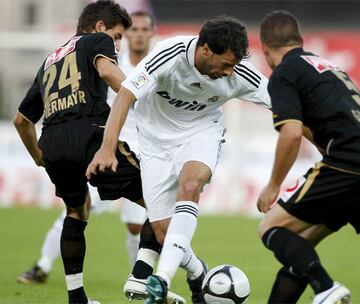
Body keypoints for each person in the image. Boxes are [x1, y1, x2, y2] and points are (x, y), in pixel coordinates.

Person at [86, 15, 271, 304]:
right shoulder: (169, 54)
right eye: (226, 64)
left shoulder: (238, 75)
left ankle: (160, 278)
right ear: (205, 49)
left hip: (201, 133)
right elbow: (125, 95)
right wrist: (107, 148)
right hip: (154, 143)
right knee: (162, 231)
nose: (229, 72)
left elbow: (288, 106)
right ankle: (198, 272)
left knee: (190, 185)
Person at [257, 10, 360, 304]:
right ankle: (320, 285)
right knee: (300, 252)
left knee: (271, 227)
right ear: (301, 41)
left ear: (265, 49)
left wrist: (272, 185)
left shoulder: (284, 73)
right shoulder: (327, 66)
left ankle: (326, 288)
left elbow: (291, 134)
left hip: (349, 162)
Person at [16, 11, 155, 285]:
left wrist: (38, 157)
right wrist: (143, 101)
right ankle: (161, 278)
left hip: (53, 142)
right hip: (99, 142)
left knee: (76, 212)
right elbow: (108, 73)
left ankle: (77, 296)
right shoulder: (99, 43)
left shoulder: (50, 60)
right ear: (101, 26)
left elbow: (21, 120)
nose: (117, 43)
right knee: (161, 206)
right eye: (116, 36)